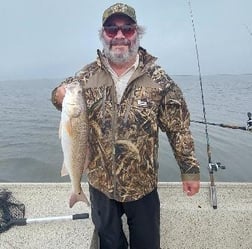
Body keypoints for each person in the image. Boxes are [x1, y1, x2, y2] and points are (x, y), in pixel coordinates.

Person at [51, 3, 200, 249]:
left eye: (127, 29)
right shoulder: (85, 76)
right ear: (103, 35)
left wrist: (189, 170)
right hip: (100, 185)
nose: (119, 36)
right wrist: (58, 94)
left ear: (136, 33)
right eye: (112, 30)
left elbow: (179, 129)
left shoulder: (159, 79)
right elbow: (60, 99)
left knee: (147, 243)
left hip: (142, 186)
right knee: (109, 242)